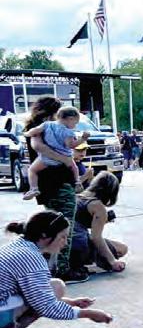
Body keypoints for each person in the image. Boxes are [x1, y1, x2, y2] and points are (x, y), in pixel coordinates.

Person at [0, 211, 112, 328]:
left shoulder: (18, 246)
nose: (65, 243)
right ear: (44, 236)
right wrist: (89, 314)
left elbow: (34, 294)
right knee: (56, 287)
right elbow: (45, 306)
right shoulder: (31, 259)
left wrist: (71, 302)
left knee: (53, 286)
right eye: (62, 237)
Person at [24, 96, 84, 284]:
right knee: (65, 227)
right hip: (58, 182)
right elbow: (38, 146)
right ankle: (62, 269)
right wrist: (64, 159)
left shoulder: (40, 127)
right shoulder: (45, 127)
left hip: (46, 185)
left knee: (53, 226)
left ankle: (50, 267)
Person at [23, 106, 89, 200]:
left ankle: (34, 188)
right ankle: (77, 182)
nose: (75, 126)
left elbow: (35, 131)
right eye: (75, 123)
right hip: (66, 158)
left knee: (32, 170)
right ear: (70, 119)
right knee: (74, 168)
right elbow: (71, 145)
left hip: (47, 158)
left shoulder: (47, 125)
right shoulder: (68, 133)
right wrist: (82, 139)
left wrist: (28, 134)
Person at [70, 172, 128, 274]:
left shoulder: (78, 196)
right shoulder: (97, 206)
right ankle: (90, 261)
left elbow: (78, 222)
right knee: (122, 249)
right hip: (79, 246)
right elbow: (95, 237)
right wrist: (113, 261)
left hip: (64, 243)